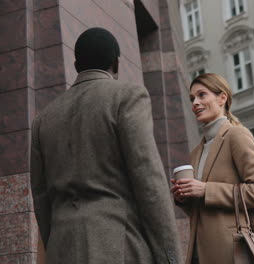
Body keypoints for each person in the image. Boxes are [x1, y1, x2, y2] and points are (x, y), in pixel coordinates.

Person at [30, 27, 182, 264]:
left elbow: (41, 198)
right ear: (116, 64)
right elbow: (149, 182)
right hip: (117, 246)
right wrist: (170, 257)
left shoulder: (43, 119)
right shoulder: (127, 97)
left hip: (62, 248)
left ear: (76, 65)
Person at [170, 73, 254, 264]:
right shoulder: (196, 152)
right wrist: (184, 198)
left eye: (202, 95)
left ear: (222, 98)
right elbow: (202, 209)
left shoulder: (236, 135)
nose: (195, 103)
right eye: (192, 98)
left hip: (233, 252)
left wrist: (205, 189)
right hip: (199, 253)